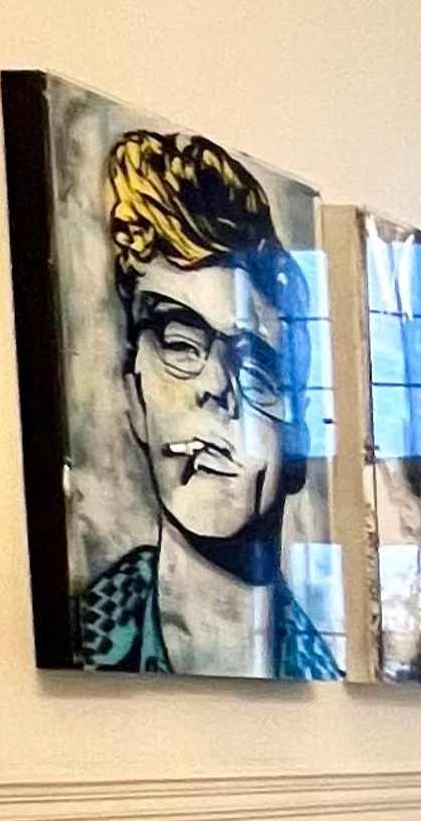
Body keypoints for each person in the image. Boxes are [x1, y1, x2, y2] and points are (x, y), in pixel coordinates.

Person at [72, 121, 336, 677]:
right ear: (133, 393)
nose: (215, 386)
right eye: (179, 342)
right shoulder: (86, 639)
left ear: (300, 442)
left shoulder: (322, 673)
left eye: (257, 365)